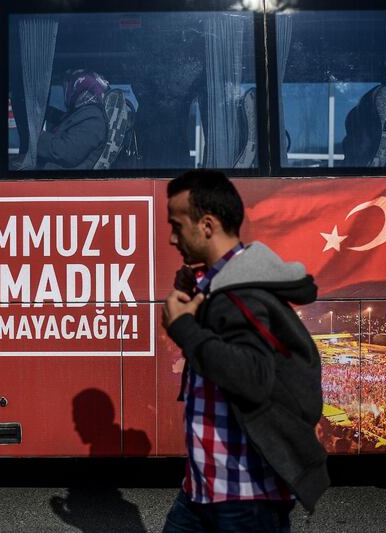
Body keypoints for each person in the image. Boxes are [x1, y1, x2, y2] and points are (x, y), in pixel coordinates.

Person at [161, 170, 328, 532]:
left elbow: (253, 378)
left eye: (177, 225)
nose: (172, 238)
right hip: (202, 489)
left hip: (244, 497)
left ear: (207, 225)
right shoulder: (218, 286)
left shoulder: (240, 295)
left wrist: (184, 328)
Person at [36, 69, 108, 169]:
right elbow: (65, 120)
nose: (65, 91)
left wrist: (39, 136)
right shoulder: (83, 112)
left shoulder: (93, 119)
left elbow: (67, 153)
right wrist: (42, 110)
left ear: (77, 89)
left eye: (67, 87)